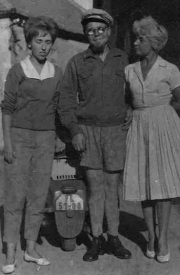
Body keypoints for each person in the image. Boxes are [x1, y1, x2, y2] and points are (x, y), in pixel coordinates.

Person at [123, 15, 180, 263]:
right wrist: (131, 113)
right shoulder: (129, 70)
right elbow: (127, 100)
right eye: (135, 38)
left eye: (140, 38)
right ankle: (152, 238)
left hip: (164, 130)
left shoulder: (170, 69)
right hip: (138, 129)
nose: (135, 43)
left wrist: (161, 115)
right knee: (144, 184)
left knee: (163, 186)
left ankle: (163, 237)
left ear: (154, 43)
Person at [58, 9, 132, 262]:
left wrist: (131, 108)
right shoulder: (77, 62)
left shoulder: (124, 59)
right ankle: (97, 239)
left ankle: (114, 237)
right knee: (95, 187)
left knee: (112, 187)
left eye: (100, 29)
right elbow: (66, 101)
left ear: (108, 31)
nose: (96, 34)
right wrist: (75, 130)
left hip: (115, 132)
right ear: (86, 34)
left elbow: (133, 93)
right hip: (87, 132)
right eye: (90, 30)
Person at [1, 16, 63, 273]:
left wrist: (58, 137)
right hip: (19, 137)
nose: (44, 46)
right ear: (29, 43)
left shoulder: (57, 73)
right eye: (39, 41)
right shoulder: (17, 70)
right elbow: (6, 109)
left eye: (48, 41)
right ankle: (10, 251)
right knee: (15, 196)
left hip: (45, 139)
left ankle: (30, 248)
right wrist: (8, 143)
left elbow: (58, 109)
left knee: (38, 197)